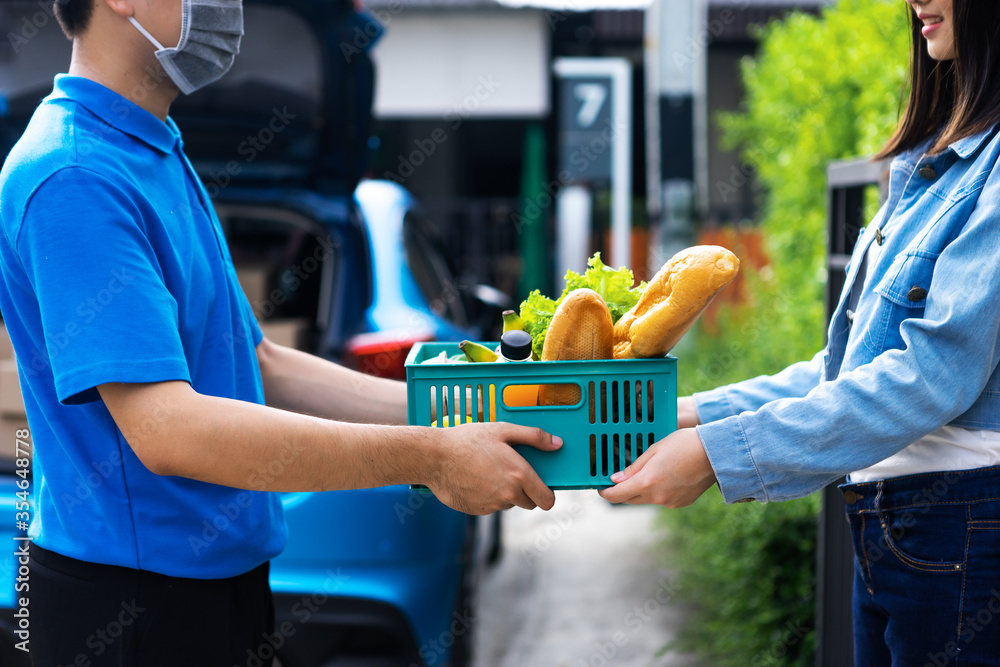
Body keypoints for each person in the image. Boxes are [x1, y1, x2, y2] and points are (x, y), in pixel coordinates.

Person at [0, 0, 562, 664]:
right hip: (134, 608)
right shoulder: (76, 174)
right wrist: (431, 457)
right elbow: (168, 430)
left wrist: (467, 406)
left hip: (219, 587)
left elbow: (262, 361)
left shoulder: (154, 147)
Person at [602, 0, 1000, 663]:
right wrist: (687, 418)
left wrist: (716, 456)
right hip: (895, 523)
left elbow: (932, 375)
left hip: (959, 526)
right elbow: (847, 368)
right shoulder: (937, 159)